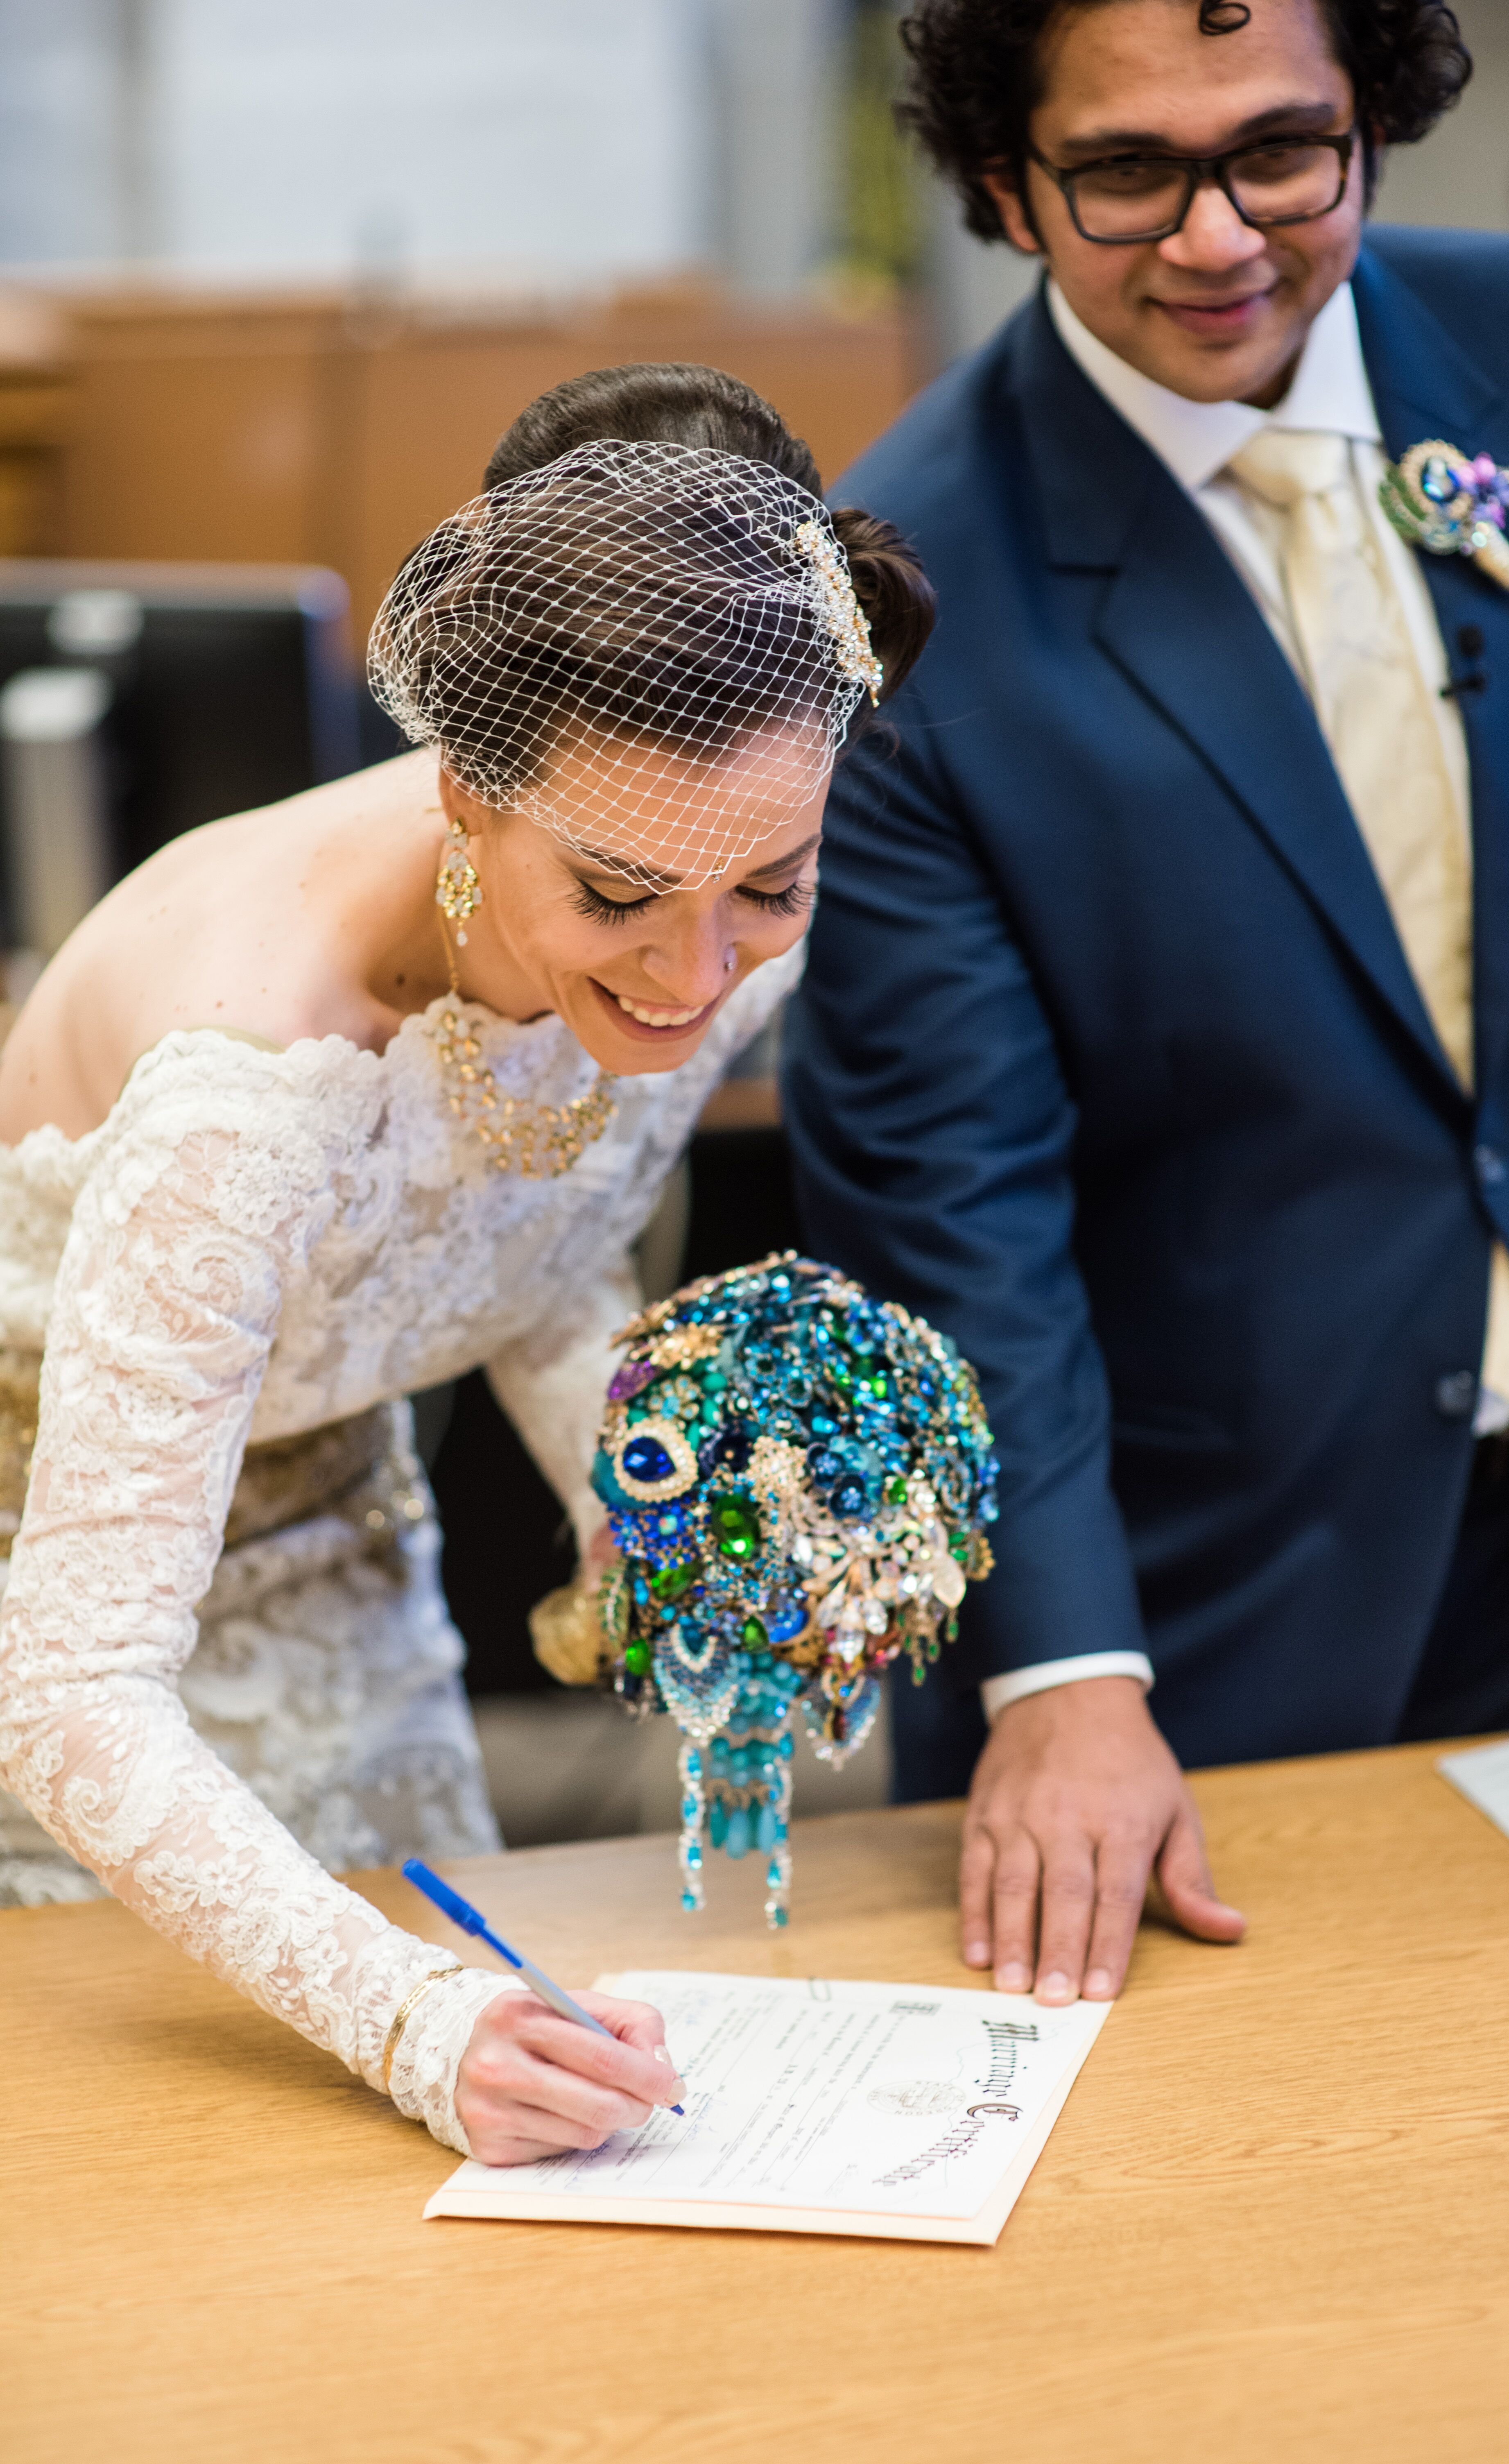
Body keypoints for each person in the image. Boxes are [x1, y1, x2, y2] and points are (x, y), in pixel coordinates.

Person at [785, 0, 1509, 2012]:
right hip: (1234, 1597)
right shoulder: (894, 601)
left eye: (1282, 152)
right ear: (1002, 182)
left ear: (1371, 120)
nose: (1218, 237)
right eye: (1124, 174)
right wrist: (1070, 1674)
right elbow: (945, 1207)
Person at [0, 363, 933, 2163]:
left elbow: (514, 1242)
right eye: (617, 901)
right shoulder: (250, 1088)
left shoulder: (699, 870)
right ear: (467, 790)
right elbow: (68, 1688)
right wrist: (409, 2021)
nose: (692, 980)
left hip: (342, 1542)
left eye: (772, 891)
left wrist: (661, 1501)